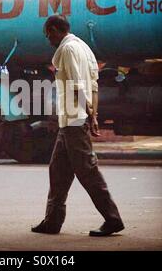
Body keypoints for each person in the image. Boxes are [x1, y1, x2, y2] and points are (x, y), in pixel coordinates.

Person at [31, 14, 124, 236]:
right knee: (58, 171)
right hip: (71, 121)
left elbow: (75, 86)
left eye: (48, 34)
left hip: (74, 120)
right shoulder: (84, 48)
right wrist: (94, 114)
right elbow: (93, 84)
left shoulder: (66, 49)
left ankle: (112, 219)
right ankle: (52, 222)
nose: (48, 40)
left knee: (87, 172)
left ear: (54, 29)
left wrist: (89, 113)